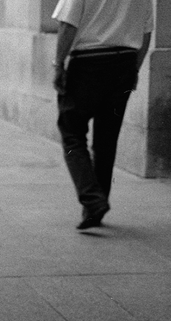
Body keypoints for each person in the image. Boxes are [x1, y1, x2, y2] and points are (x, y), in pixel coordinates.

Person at [52, 0, 153, 230]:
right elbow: (146, 33)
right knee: (107, 138)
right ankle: (95, 207)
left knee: (72, 131)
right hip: (125, 62)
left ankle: (92, 199)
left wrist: (58, 64)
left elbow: (68, 24)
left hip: (88, 63)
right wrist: (134, 69)